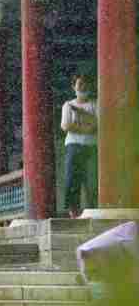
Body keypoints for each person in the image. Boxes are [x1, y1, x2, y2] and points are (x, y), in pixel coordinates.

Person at [60, 74, 97, 218]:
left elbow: (98, 124)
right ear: (73, 87)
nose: (83, 87)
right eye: (80, 84)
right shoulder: (68, 105)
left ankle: (92, 211)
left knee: (92, 180)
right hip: (73, 146)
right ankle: (74, 212)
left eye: (86, 84)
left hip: (91, 146)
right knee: (72, 180)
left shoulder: (95, 104)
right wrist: (88, 127)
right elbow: (65, 126)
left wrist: (80, 116)